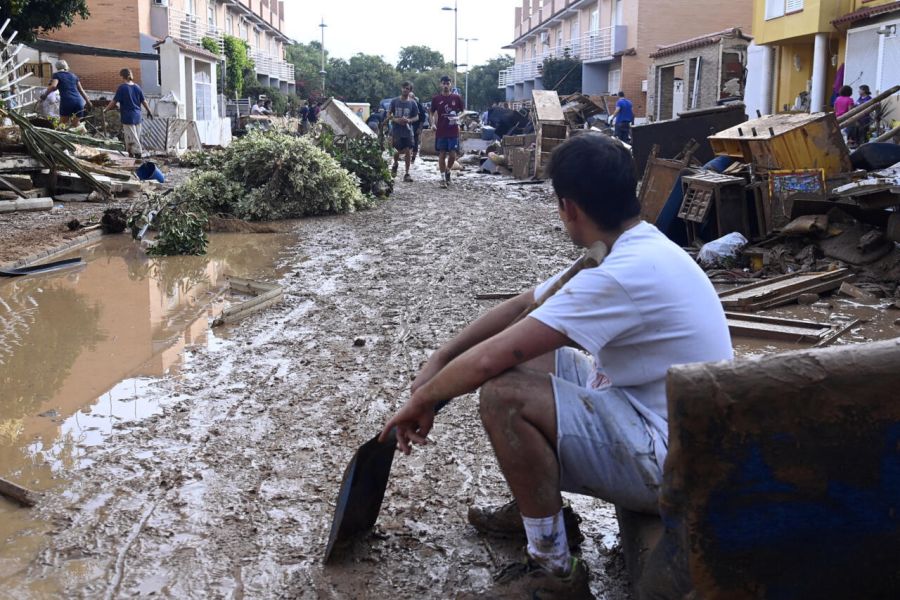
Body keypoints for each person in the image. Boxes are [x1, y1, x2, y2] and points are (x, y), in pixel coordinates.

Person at [379, 134, 733, 597]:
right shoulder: (633, 247)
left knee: (504, 396)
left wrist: (424, 398)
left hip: (672, 464)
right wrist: (441, 358)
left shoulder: (620, 274)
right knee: (536, 358)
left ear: (568, 208)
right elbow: (523, 305)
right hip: (663, 424)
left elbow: (493, 357)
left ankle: (555, 571)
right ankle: (540, 511)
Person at [104, 68, 153, 158]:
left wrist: (106, 110)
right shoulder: (137, 87)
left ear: (122, 76)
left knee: (132, 137)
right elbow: (144, 101)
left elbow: (114, 101)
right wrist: (149, 111)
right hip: (138, 116)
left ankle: (138, 153)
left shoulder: (122, 88)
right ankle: (131, 154)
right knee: (133, 137)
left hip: (128, 116)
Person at [431, 75, 464, 188]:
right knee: (442, 154)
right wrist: (433, 123)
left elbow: (463, 111)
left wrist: (458, 118)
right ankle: (442, 178)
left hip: (453, 130)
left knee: (453, 154)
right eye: (444, 83)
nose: (445, 85)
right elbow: (431, 113)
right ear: (441, 84)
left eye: (448, 83)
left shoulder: (456, 98)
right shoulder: (436, 99)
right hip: (441, 130)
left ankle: (448, 170)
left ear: (451, 85)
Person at [41, 60, 92, 127]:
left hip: (67, 101)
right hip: (79, 102)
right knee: (76, 124)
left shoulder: (57, 75)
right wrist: (88, 102)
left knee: (62, 125)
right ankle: (83, 133)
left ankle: (59, 133)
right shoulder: (74, 76)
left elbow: (53, 86)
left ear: (57, 67)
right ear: (67, 67)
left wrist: (45, 95)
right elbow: (81, 90)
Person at [388, 81, 419, 183]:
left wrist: (409, 120)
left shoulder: (413, 103)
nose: (405, 90)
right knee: (396, 150)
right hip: (396, 130)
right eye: (404, 88)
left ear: (410, 91)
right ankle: (395, 163)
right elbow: (389, 114)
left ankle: (407, 173)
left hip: (407, 130)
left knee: (408, 151)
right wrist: (396, 120)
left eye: (407, 88)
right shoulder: (394, 101)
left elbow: (416, 117)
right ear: (401, 88)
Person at [410, 92, 427, 164]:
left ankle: (413, 158)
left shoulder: (419, 106)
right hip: (406, 126)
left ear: (414, 98)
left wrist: (420, 128)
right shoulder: (405, 104)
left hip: (416, 126)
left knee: (415, 141)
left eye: (411, 97)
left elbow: (423, 118)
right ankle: (408, 156)